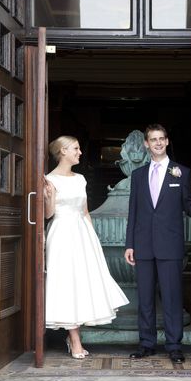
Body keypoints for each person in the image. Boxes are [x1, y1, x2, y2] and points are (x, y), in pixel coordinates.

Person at [44, 136, 129, 359]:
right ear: (63, 151)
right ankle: (74, 340)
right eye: (76, 148)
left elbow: (84, 211)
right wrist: (50, 197)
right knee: (67, 283)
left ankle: (73, 337)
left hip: (83, 233)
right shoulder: (49, 179)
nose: (80, 152)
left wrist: (94, 239)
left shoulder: (81, 178)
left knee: (83, 282)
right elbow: (48, 214)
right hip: (61, 233)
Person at [124, 124, 191, 363]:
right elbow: (134, 212)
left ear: (167, 142)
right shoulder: (137, 176)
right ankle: (146, 344)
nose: (157, 143)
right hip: (143, 245)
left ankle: (174, 345)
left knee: (172, 297)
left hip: (170, 246)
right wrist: (130, 244)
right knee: (144, 298)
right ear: (146, 144)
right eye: (153, 139)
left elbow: (189, 209)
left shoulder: (182, 172)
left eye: (161, 139)